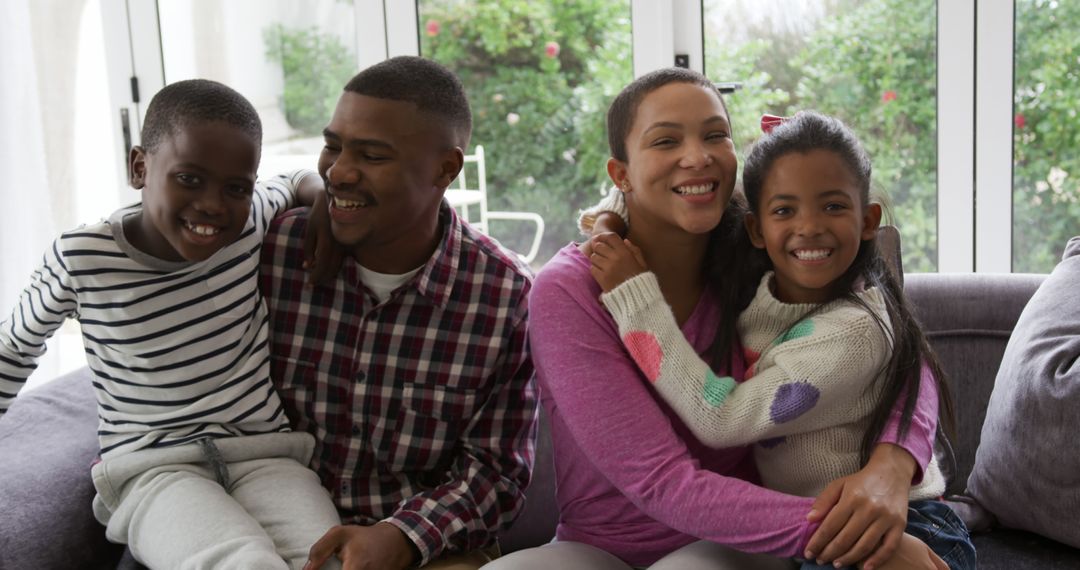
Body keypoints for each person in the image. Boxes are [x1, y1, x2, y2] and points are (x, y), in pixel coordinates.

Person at [487, 69, 944, 570]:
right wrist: (846, 534)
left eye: (715, 135)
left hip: (739, 542)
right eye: (666, 140)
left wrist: (894, 466)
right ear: (621, 174)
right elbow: (659, 481)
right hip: (599, 545)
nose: (697, 156)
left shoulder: (761, 247)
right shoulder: (571, 288)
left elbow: (898, 349)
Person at [585, 111, 975, 569]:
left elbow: (722, 418)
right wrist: (610, 221)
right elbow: (652, 195)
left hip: (900, 523)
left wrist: (635, 296)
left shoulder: (856, 330)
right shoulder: (759, 285)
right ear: (755, 229)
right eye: (784, 210)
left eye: (832, 206)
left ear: (869, 220)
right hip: (809, 528)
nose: (809, 226)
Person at [0, 79, 340, 569]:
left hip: (267, 456)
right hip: (152, 471)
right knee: (241, 563)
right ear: (140, 167)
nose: (213, 205)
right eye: (189, 179)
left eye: (235, 187)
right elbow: (14, 347)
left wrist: (319, 195)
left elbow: (289, 181)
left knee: (325, 558)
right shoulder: (83, 258)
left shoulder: (248, 223)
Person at [259, 56, 538, 570]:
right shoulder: (275, 253)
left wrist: (401, 537)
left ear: (445, 169)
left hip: (421, 548)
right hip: (266, 532)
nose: (339, 172)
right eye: (334, 146)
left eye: (372, 155)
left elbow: (497, 474)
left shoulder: (506, 297)